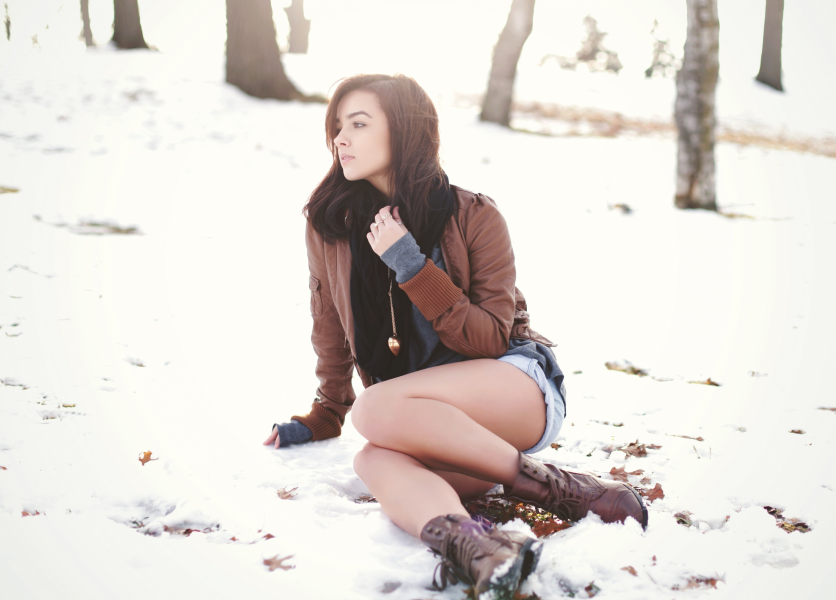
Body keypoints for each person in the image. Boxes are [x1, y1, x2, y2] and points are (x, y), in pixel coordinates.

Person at [263, 74, 647, 599]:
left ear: (405, 131)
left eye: (358, 124)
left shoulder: (474, 215)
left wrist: (410, 264)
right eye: (336, 127)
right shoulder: (331, 226)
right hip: (427, 419)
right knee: (372, 458)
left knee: (373, 412)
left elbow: (490, 337)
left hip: (514, 386)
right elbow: (327, 321)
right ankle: (481, 549)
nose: (340, 139)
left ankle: (559, 487)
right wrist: (326, 410)